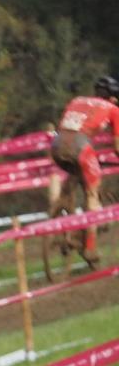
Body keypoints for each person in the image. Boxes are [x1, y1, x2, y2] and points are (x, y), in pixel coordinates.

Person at [48, 74, 119, 263]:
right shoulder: (113, 109)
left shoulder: (77, 100)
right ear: (113, 97)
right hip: (80, 147)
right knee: (92, 195)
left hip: (56, 145)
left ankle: (61, 209)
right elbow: (117, 147)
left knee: (74, 174)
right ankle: (90, 247)